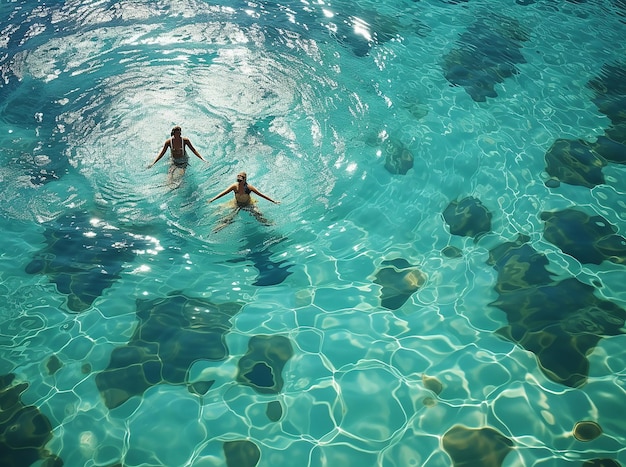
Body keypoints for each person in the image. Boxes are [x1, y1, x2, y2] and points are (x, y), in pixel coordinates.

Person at [208, 172, 280, 231]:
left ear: (245, 179)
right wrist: (213, 199)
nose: (239, 178)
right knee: (228, 217)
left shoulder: (249, 187)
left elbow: (261, 194)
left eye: (241, 176)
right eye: (238, 176)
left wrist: (273, 201)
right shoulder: (235, 186)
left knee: (258, 214)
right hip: (236, 204)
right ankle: (216, 229)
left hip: (248, 204)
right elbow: (224, 193)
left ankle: (269, 224)